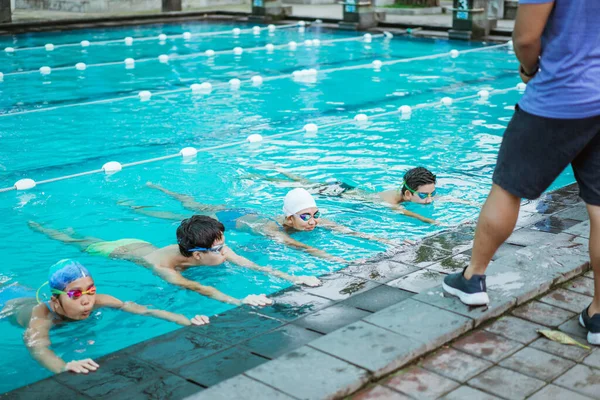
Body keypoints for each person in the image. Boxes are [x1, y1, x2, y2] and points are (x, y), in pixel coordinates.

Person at [442, 0, 600, 345]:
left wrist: (529, 71)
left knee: (507, 188)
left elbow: (527, 37)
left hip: (560, 97)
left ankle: (473, 279)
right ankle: (599, 315)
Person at [28, 215, 321, 307]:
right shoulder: (164, 268)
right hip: (119, 251)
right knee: (76, 241)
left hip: (144, 243)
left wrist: (296, 279)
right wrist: (241, 301)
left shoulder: (213, 248)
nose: (225, 253)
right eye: (219, 250)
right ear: (197, 255)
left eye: (223, 246)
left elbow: (254, 266)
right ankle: (43, 228)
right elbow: (202, 290)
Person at [0, 259, 210, 374]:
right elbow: (37, 346)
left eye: (90, 290)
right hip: (8, 304)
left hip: (24, 293)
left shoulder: (101, 300)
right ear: (56, 301)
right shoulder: (42, 315)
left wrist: (186, 319)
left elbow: (145, 309)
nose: (86, 301)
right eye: (75, 294)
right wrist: (63, 366)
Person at [125, 183, 401, 263]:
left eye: (315, 215)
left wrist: (385, 242)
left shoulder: (314, 220)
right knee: (184, 211)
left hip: (247, 213)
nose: (313, 221)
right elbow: (298, 247)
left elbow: (348, 230)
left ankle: (162, 191)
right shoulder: (274, 229)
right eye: (305, 216)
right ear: (289, 218)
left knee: (192, 207)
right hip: (231, 218)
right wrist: (341, 261)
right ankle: (151, 198)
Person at [247, 167, 455, 224]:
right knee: (301, 184)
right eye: (425, 196)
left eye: (432, 194)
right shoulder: (392, 202)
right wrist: (435, 223)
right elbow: (411, 215)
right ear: (408, 195)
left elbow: (431, 197)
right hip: (340, 194)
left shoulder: (409, 192)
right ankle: (263, 177)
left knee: (305, 182)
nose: (430, 200)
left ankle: (280, 170)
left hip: (348, 189)